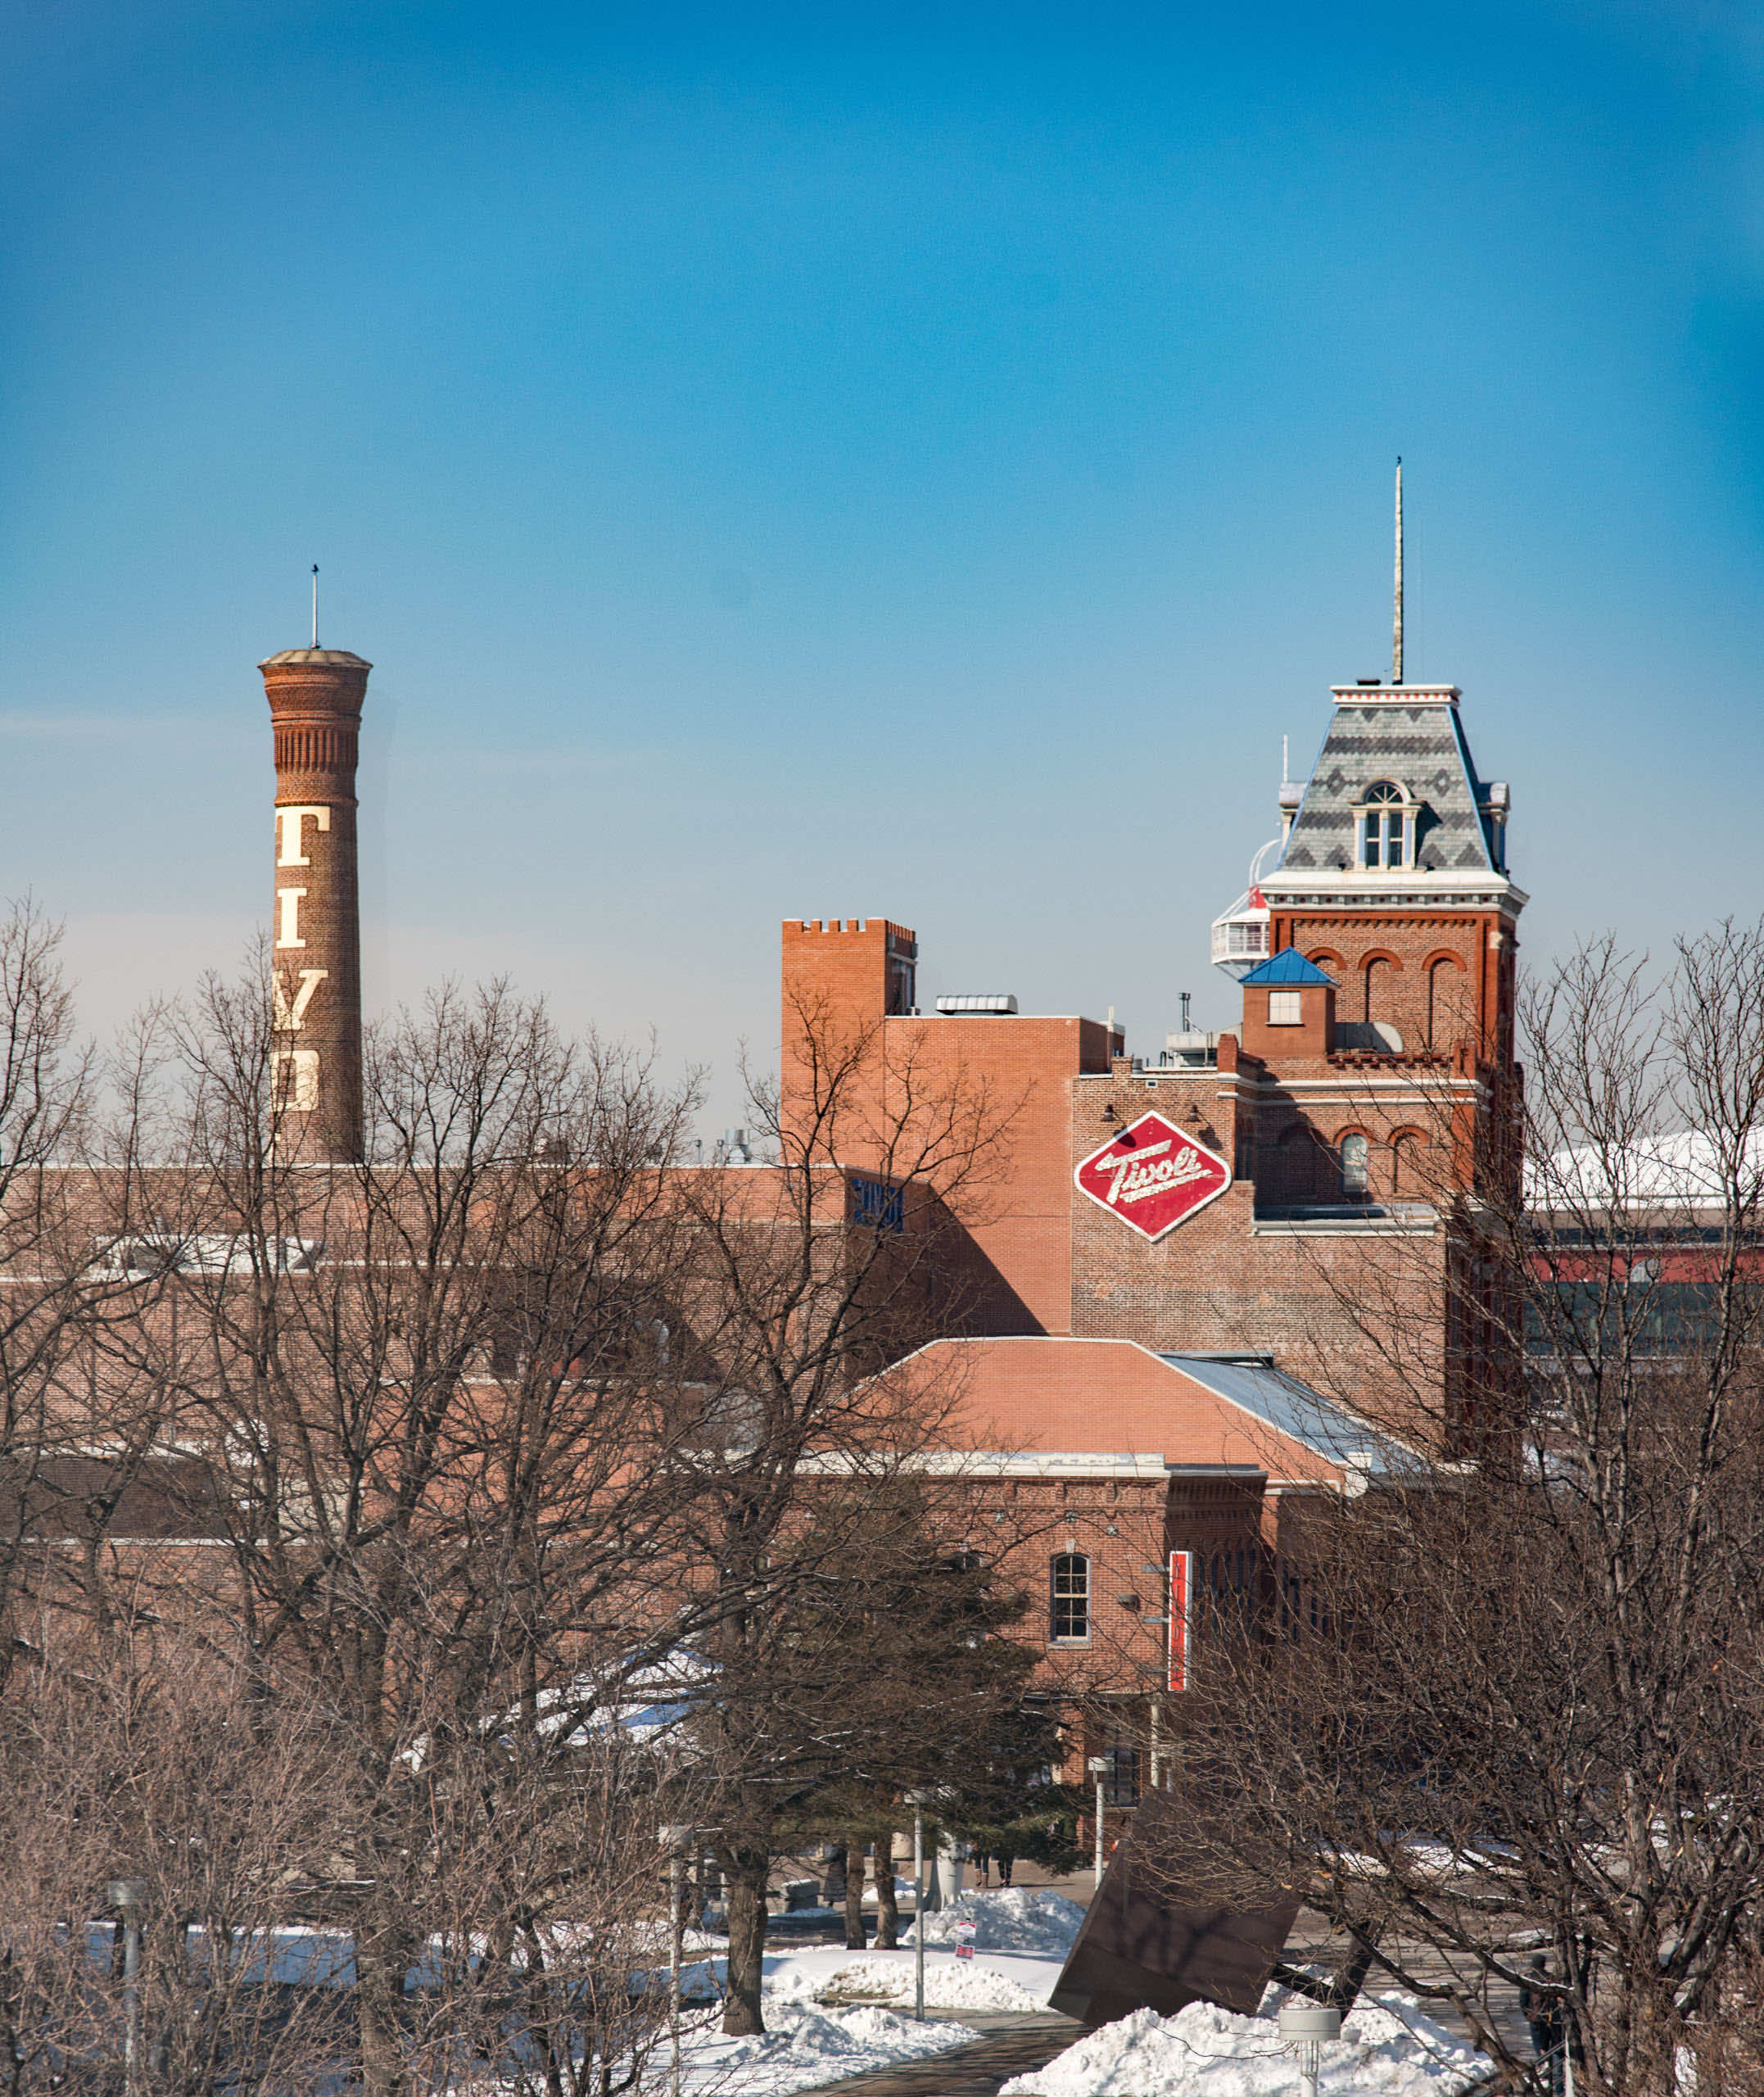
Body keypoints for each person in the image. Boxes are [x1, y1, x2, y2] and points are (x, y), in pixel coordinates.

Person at [1519, 1954, 1566, 2095]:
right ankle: (1559, 2090)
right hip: (1553, 2019)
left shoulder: (1527, 1979)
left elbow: (1522, 2002)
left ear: (1533, 1964)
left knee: (1539, 2045)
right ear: (1544, 1964)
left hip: (1536, 2019)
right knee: (1556, 2049)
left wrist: (1528, 2016)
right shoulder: (1551, 1978)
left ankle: (1544, 2062)